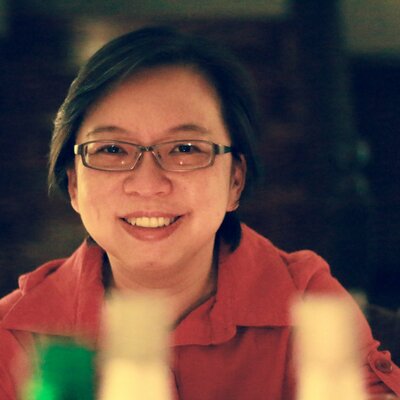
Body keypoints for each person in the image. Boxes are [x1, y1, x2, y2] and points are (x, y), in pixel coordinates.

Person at [0, 26, 399, 400]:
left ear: (235, 181)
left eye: (185, 149)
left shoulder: (306, 300)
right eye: (112, 150)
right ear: (73, 183)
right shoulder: (13, 333)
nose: (148, 184)